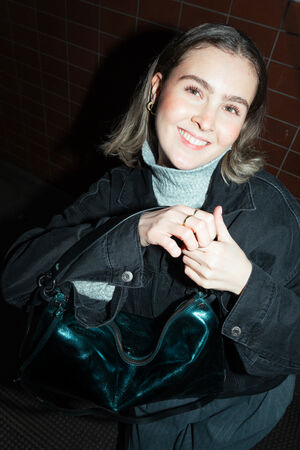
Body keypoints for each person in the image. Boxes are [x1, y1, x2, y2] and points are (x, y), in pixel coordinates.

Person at [1, 23, 299, 450]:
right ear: (157, 89)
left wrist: (247, 285)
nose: (205, 120)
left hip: (240, 397)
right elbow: (16, 280)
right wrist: (129, 233)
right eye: (195, 90)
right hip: (152, 390)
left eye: (231, 108)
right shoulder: (114, 193)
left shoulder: (272, 211)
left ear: (243, 125)